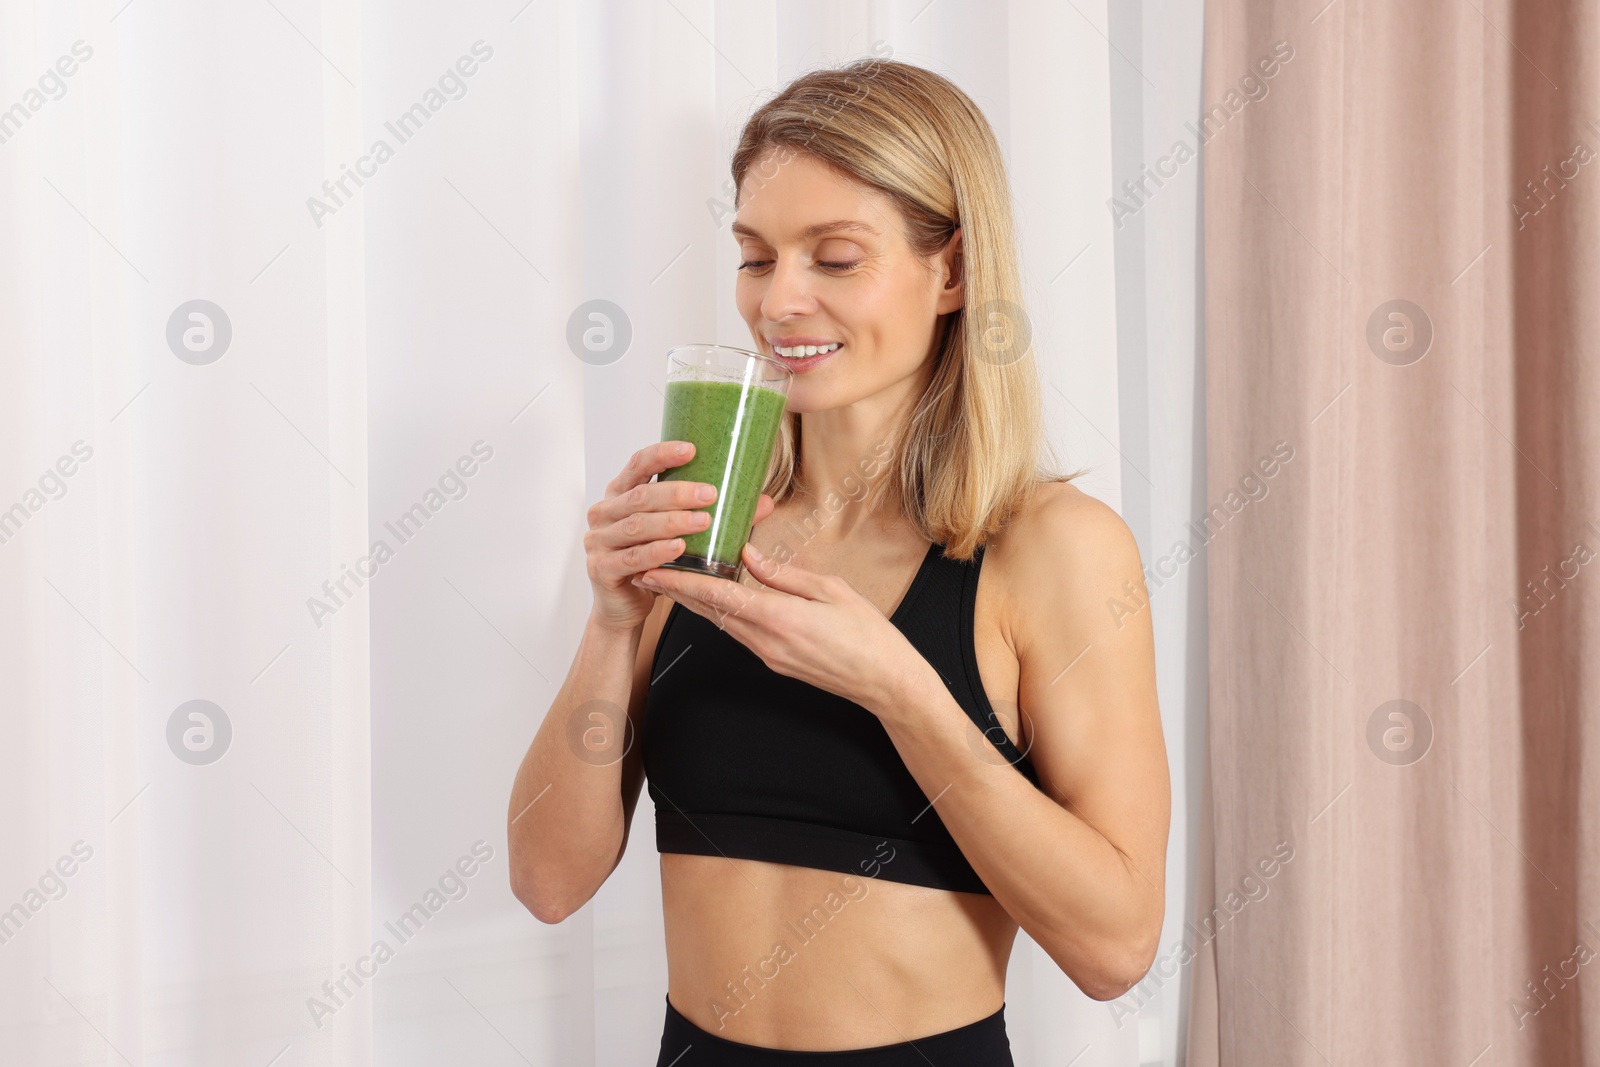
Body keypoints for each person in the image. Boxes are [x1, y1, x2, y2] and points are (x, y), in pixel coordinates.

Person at [508, 58, 1170, 1065]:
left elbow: (1115, 946)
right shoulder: (697, 527)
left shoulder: (1054, 548)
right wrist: (609, 624)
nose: (780, 302)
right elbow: (547, 883)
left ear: (949, 272)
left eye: (835, 256)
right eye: (755, 255)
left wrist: (903, 692)